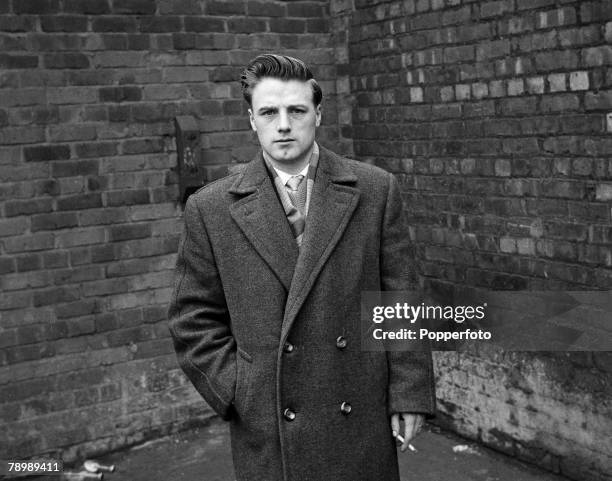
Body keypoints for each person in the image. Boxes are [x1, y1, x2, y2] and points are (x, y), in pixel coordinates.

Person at [168, 54, 435, 481]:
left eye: (297, 110)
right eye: (269, 112)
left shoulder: (374, 189)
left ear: (318, 113)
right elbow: (192, 319)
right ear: (252, 119)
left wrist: (409, 393)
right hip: (270, 419)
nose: (284, 124)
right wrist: (240, 391)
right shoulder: (212, 208)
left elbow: (400, 298)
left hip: (358, 409)